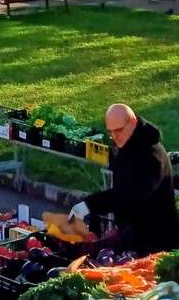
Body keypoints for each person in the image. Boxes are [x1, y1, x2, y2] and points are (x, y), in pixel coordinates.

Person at [69, 104, 179, 254]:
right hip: (134, 236)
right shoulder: (127, 146)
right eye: (111, 132)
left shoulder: (151, 156)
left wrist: (88, 205)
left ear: (133, 122)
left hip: (155, 242)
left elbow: (129, 195)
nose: (115, 136)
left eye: (119, 130)